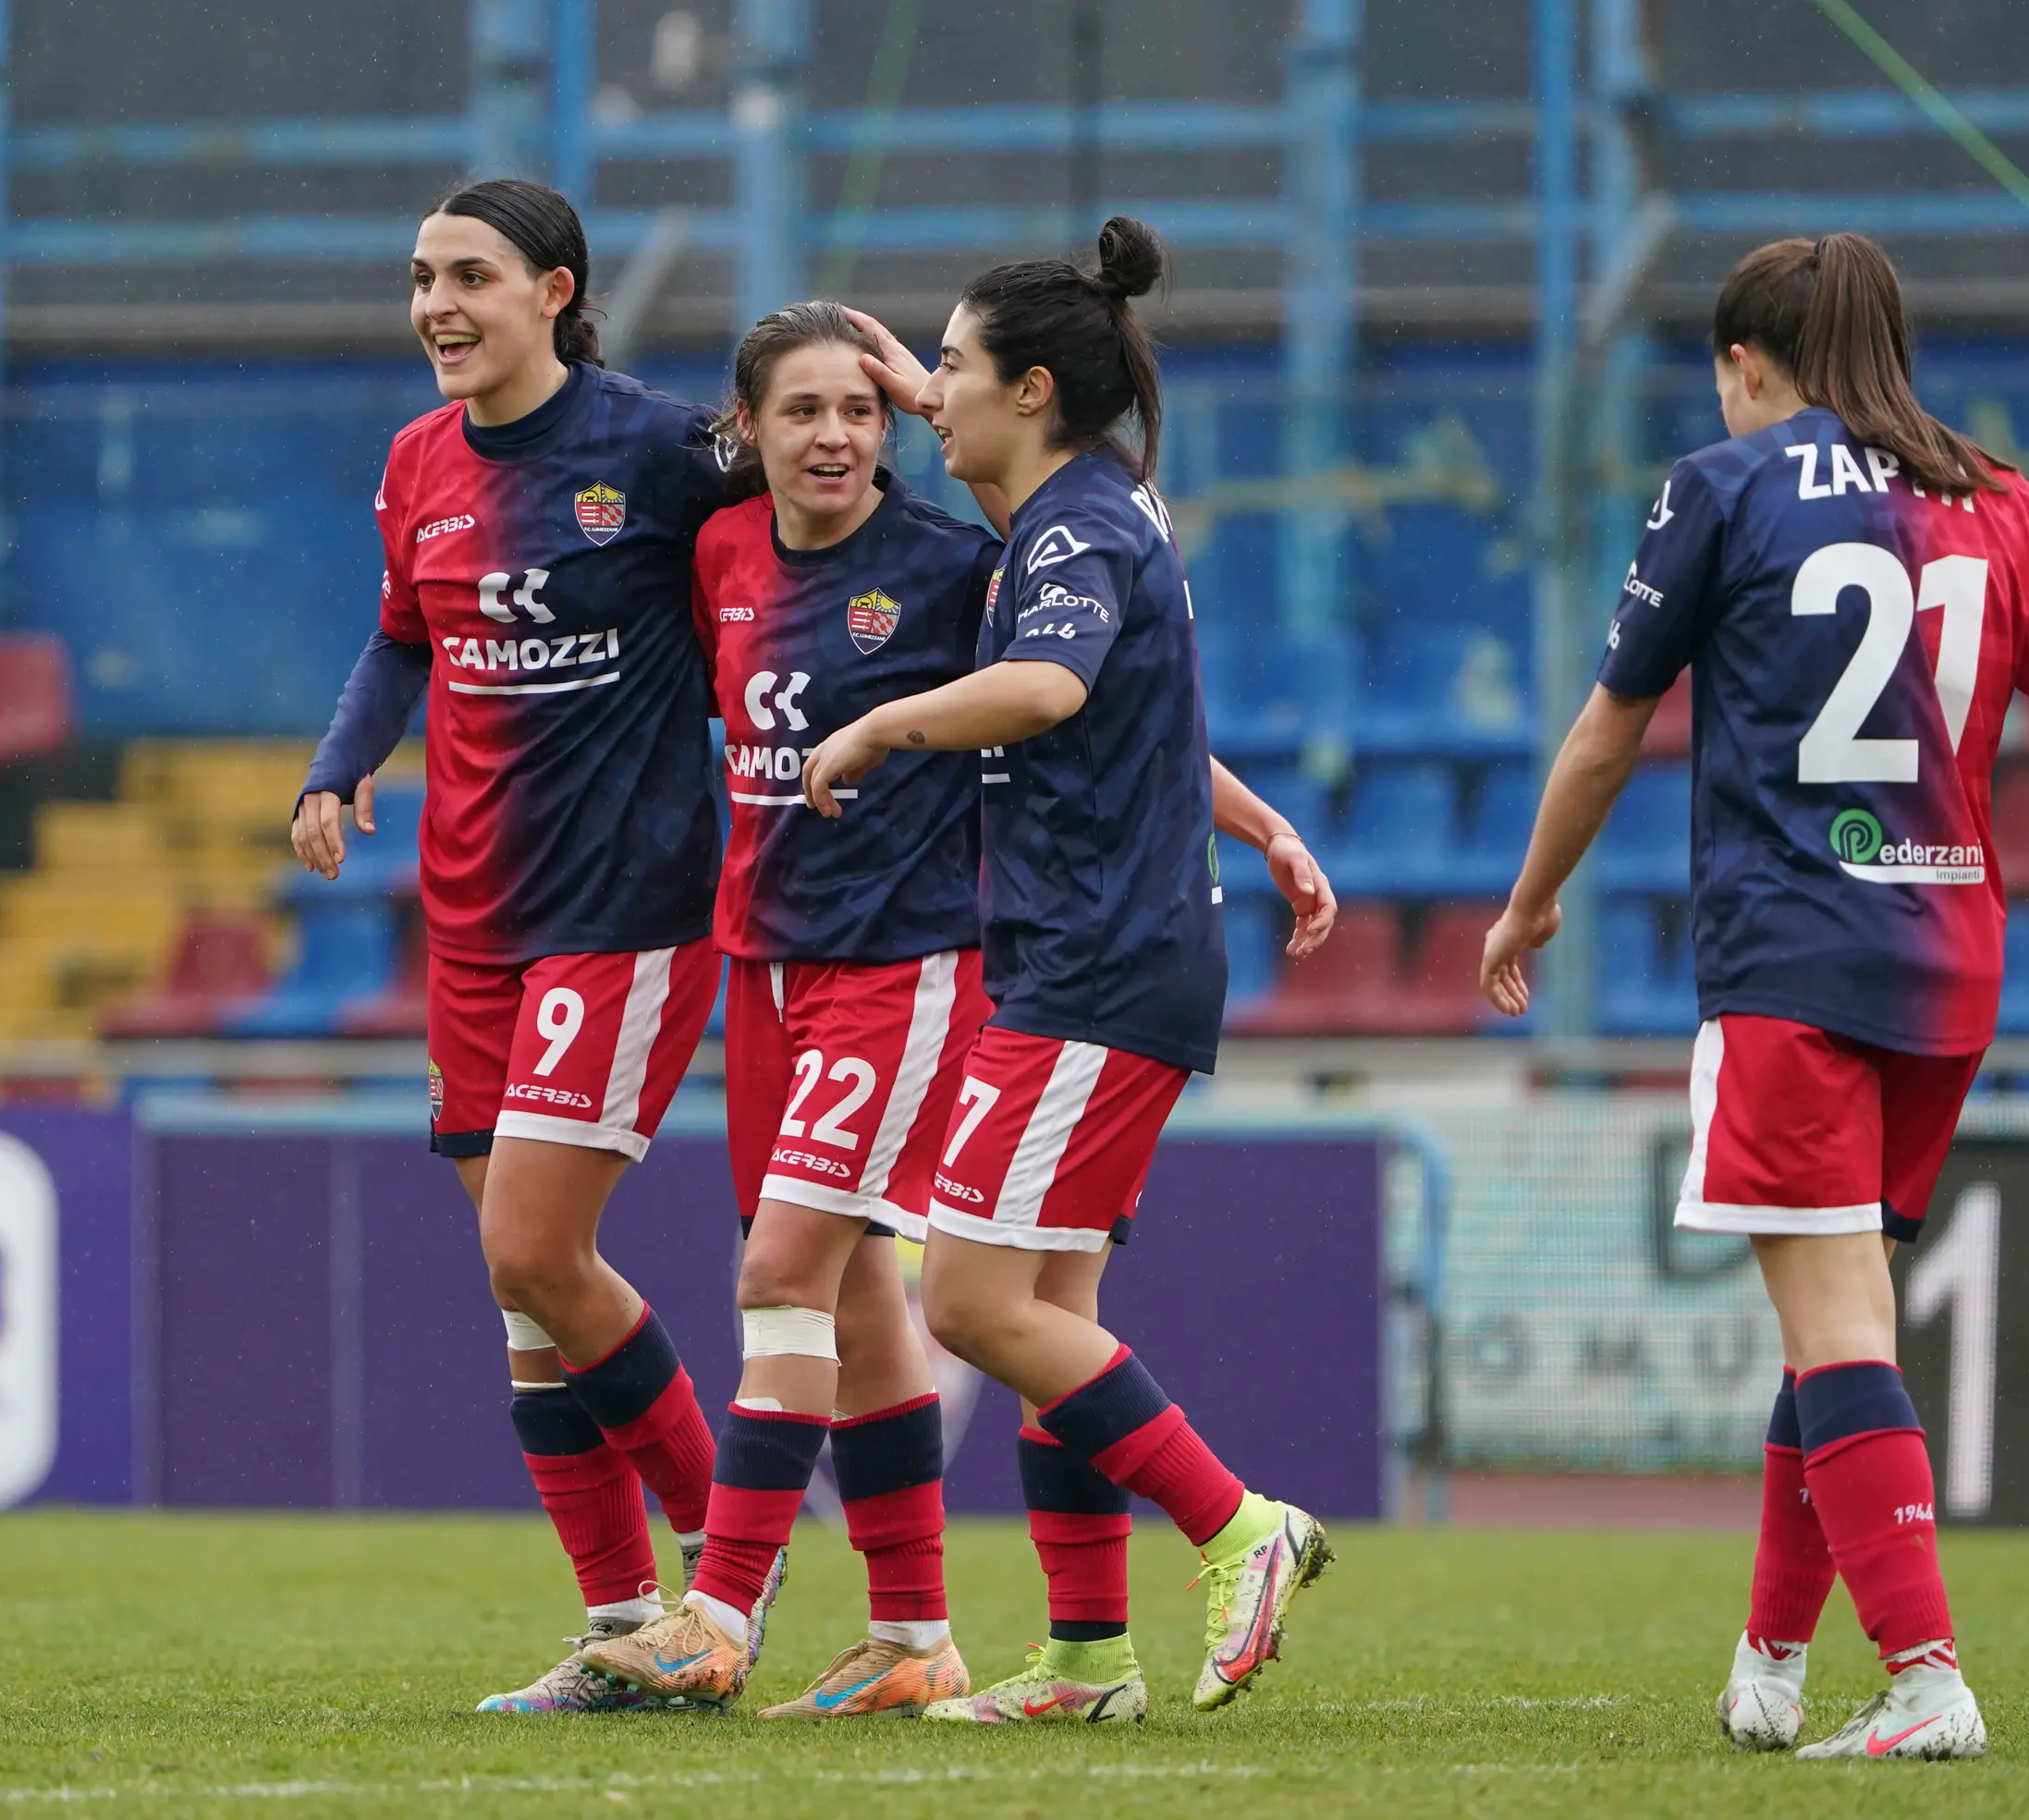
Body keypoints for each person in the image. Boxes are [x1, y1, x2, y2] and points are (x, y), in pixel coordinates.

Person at [1479, 233, 2029, 1763]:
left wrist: (1534, 893)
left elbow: (1611, 733)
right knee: (1839, 1315)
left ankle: (1927, 1676)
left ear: (1746, 365)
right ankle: (1771, 1662)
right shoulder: (2004, 499)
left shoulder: (1721, 487)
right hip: (1948, 966)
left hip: (1791, 950)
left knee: (1834, 1317)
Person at [804, 218, 1342, 1724]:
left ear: (1031, 390)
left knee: (971, 1304)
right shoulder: (1104, 502)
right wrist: (1267, 819)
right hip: (1115, 956)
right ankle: (1089, 1661)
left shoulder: (1073, 535)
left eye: (956, 372)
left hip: (1091, 975)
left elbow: (1050, 690)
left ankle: (1242, 1529)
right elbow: (1147, 718)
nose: (934, 399)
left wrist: (881, 723)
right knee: (1057, 1311)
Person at [291, 177, 747, 1716]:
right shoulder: (419, 460)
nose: (435, 304)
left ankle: (723, 1580)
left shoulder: (665, 449)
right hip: (472, 917)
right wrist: (339, 763)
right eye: (420, 276)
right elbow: (401, 638)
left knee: (536, 1252)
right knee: (526, 1295)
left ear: (555, 291)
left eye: (469, 276)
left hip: (620, 905)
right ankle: (622, 1618)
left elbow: (827, 532)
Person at [578, 301, 1001, 1716]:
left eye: (861, 411)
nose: (835, 436)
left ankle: (718, 1615)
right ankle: (913, 1633)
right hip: (764, 968)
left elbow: (1103, 664)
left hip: (902, 963)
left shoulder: (953, 568)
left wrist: (1250, 829)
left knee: (778, 1279)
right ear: (746, 430)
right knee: (862, 1293)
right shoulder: (719, 552)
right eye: (803, 412)